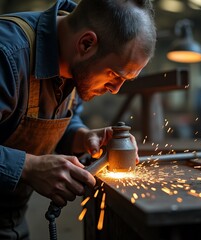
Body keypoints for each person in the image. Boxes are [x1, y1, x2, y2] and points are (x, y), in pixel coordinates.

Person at [0, 0, 156, 238]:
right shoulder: (7, 55)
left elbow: (64, 118)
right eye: (114, 74)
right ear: (86, 43)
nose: (115, 89)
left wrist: (83, 136)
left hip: (10, 220)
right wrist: (28, 167)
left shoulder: (74, 62)